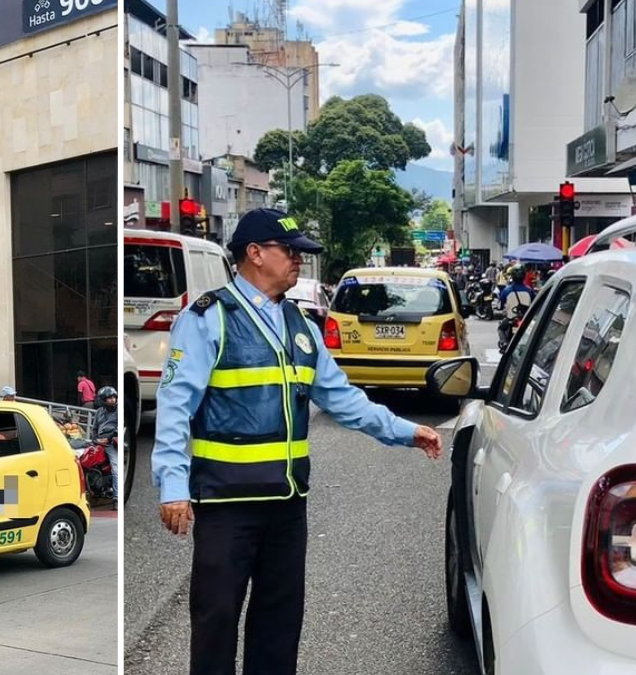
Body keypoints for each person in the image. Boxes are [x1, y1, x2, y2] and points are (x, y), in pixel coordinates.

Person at [153, 208, 443, 675]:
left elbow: (343, 399)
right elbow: (173, 406)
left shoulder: (302, 327)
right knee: (216, 623)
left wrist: (407, 431)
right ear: (254, 254)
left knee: (279, 626)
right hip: (228, 503)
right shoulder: (208, 319)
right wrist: (172, 485)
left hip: (287, 505)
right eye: (289, 252)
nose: (297, 262)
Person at [91, 386, 119, 502]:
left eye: (114, 397)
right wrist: (95, 439)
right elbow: (94, 429)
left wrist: (108, 438)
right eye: (109, 398)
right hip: (98, 442)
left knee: (116, 469)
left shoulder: (119, 410)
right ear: (103, 400)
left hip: (111, 442)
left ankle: (116, 497)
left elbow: (119, 428)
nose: (112, 400)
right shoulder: (99, 412)